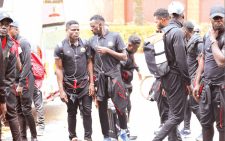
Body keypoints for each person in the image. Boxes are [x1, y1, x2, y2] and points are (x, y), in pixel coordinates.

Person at [152, 2, 193, 141]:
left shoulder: (163, 32)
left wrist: (164, 83)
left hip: (165, 77)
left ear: (170, 15)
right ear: (182, 15)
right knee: (178, 116)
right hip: (176, 77)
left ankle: (174, 139)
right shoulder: (177, 32)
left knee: (172, 112)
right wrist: (188, 81)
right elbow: (182, 60)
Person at [89, 14, 129, 141]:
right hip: (100, 78)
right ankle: (106, 136)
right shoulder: (91, 40)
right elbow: (91, 61)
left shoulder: (115, 36)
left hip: (114, 75)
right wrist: (92, 80)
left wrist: (108, 50)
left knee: (121, 105)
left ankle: (123, 132)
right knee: (102, 109)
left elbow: (124, 57)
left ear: (100, 25)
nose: (91, 29)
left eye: (93, 26)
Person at [54, 20, 94, 141]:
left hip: (84, 85)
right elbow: (59, 69)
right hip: (69, 87)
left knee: (87, 111)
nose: (76, 32)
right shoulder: (60, 47)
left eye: (78, 30)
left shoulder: (85, 44)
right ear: (67, 31)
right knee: (71, 113)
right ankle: (73, 136)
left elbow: (89, 62)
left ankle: (88, 137)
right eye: (73, 30)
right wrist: (61, 90)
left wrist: (92, 83)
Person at [193, 5, 225, 141]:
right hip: (207, 87)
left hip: (221, 88)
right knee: (205, 123)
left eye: (220, 18)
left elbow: (221, 61)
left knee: (222, 126)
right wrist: (196, 82)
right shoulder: (207, 34)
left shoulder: (216, 37)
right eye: (215, 18)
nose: (218, 21)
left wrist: (213, 40)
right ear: (210, 20)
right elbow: (203, 60)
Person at [9, 21, 38, 141]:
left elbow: (27, 64)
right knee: (19, 110)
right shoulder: (10, 43)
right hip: (15, 80)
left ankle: (34, 136)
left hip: (25, 79)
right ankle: (23, 137)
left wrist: (21, 84)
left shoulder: (24, 43)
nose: (8, 30)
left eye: (10, 28)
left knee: (26, 108)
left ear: (17, 30)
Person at [0, 12, 22, 141]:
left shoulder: (12, 46)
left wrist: (5, 95)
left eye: (6, 25)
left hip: (5, 86)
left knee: (11, 114)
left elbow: (10, 75)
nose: (3, 27)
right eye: (1, 24)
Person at [180, 21, 203, 140]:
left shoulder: (198, 42)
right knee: (187, 105)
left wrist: (196, 82)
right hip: (188, 79)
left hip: (195, 79)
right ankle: (186, 129)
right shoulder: (188, 42)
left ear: (184, 30)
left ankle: (206, 128)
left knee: (194, 106)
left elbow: (201, 64)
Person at [120, 34, 142, 140]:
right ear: (129, 45)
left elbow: (133, 62)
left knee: (128, 107)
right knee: (125, 108)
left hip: (128, 84)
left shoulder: (130, 52)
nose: (137, 50)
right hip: (123, 84)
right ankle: (123, 133)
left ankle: (125, 131)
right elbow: (119, 69)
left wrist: (138, 70)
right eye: (136, 48)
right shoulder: (123, 54)